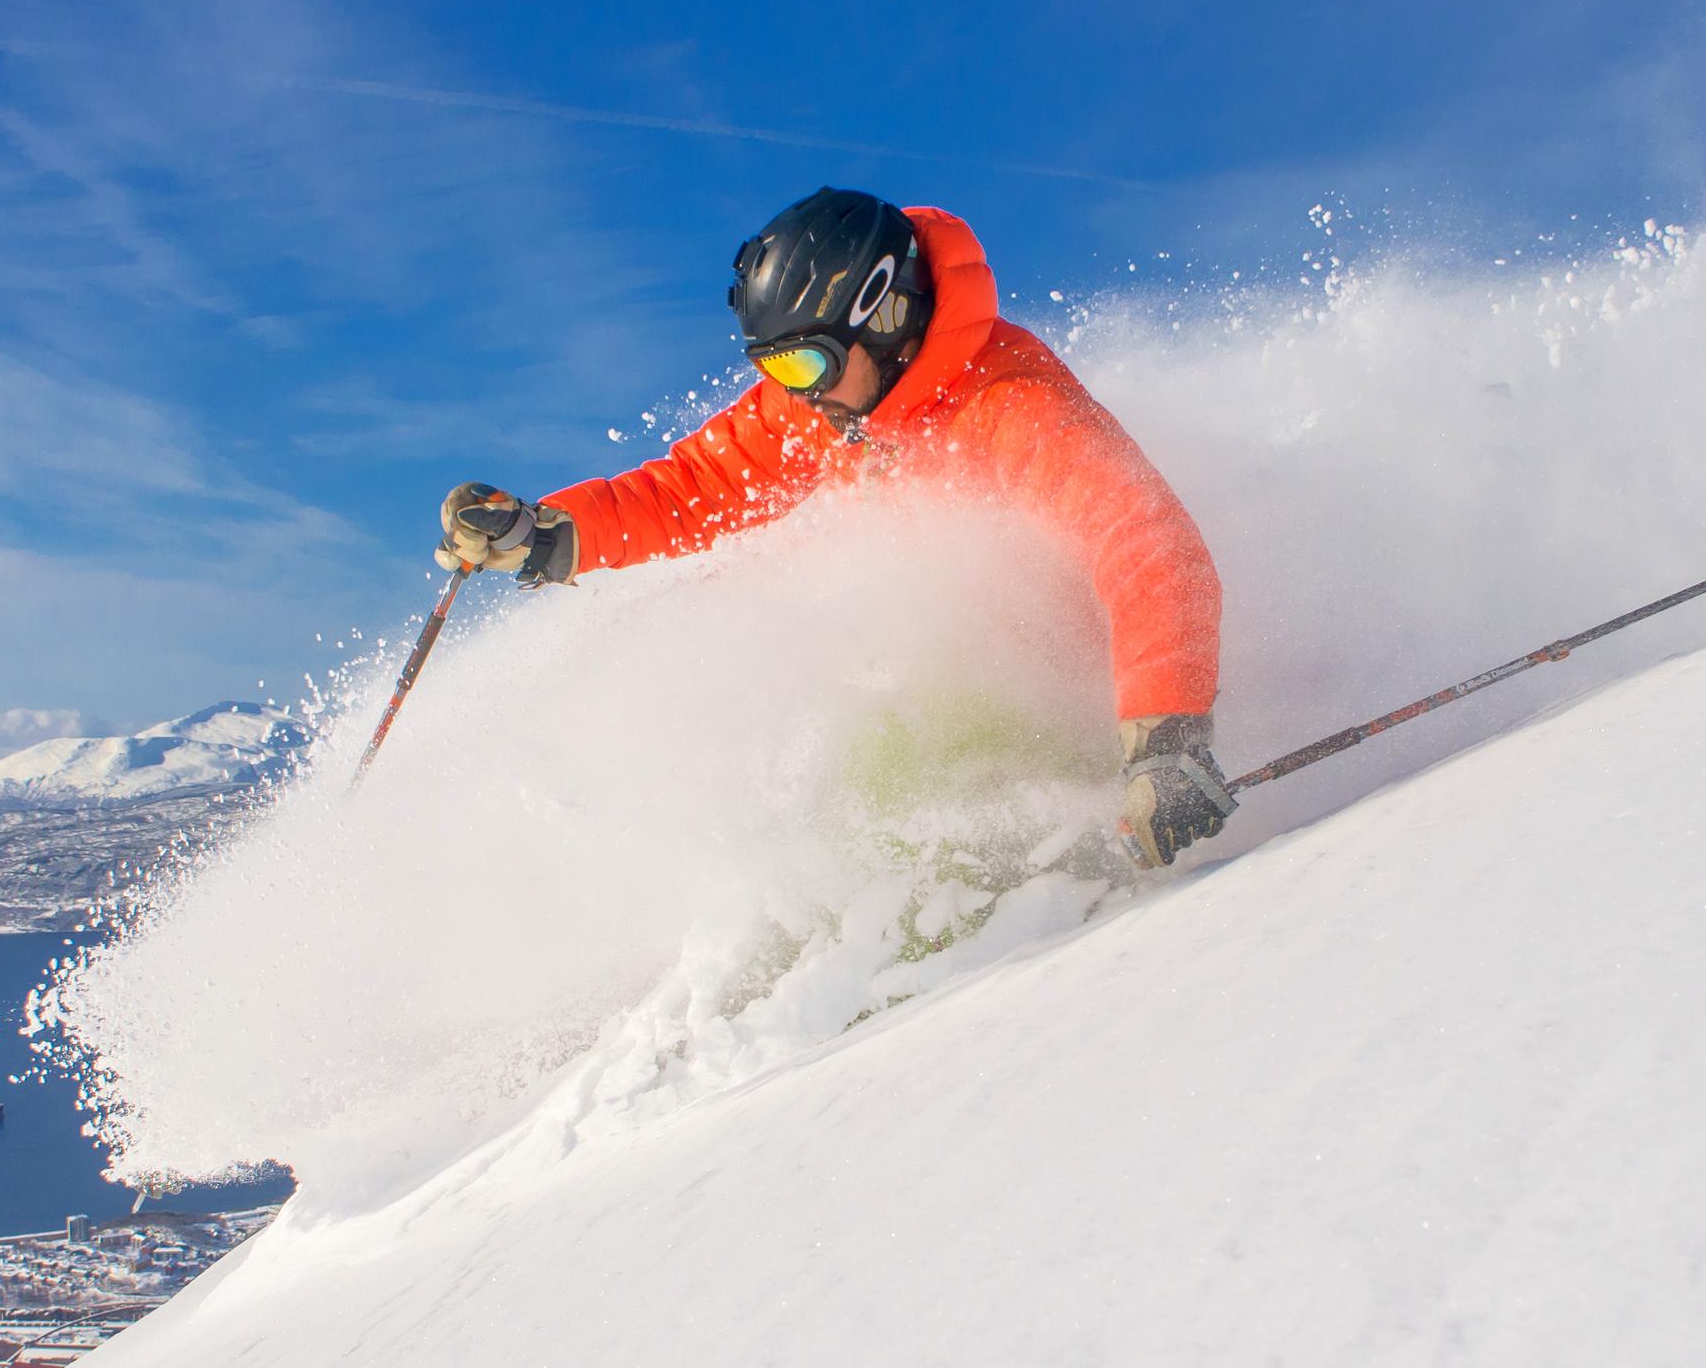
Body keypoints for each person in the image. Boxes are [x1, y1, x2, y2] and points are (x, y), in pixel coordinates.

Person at [438, 188, 1237, 869]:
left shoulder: (1008, 402)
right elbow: (693, 488)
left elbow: (1144, 538)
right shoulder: (834, 403)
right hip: (918, 725)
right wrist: (544, 534)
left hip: (1068, 720)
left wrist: (1165, 741)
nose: (796, 395)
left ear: (885, 316)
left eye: (803, 366)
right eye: (772, 370)